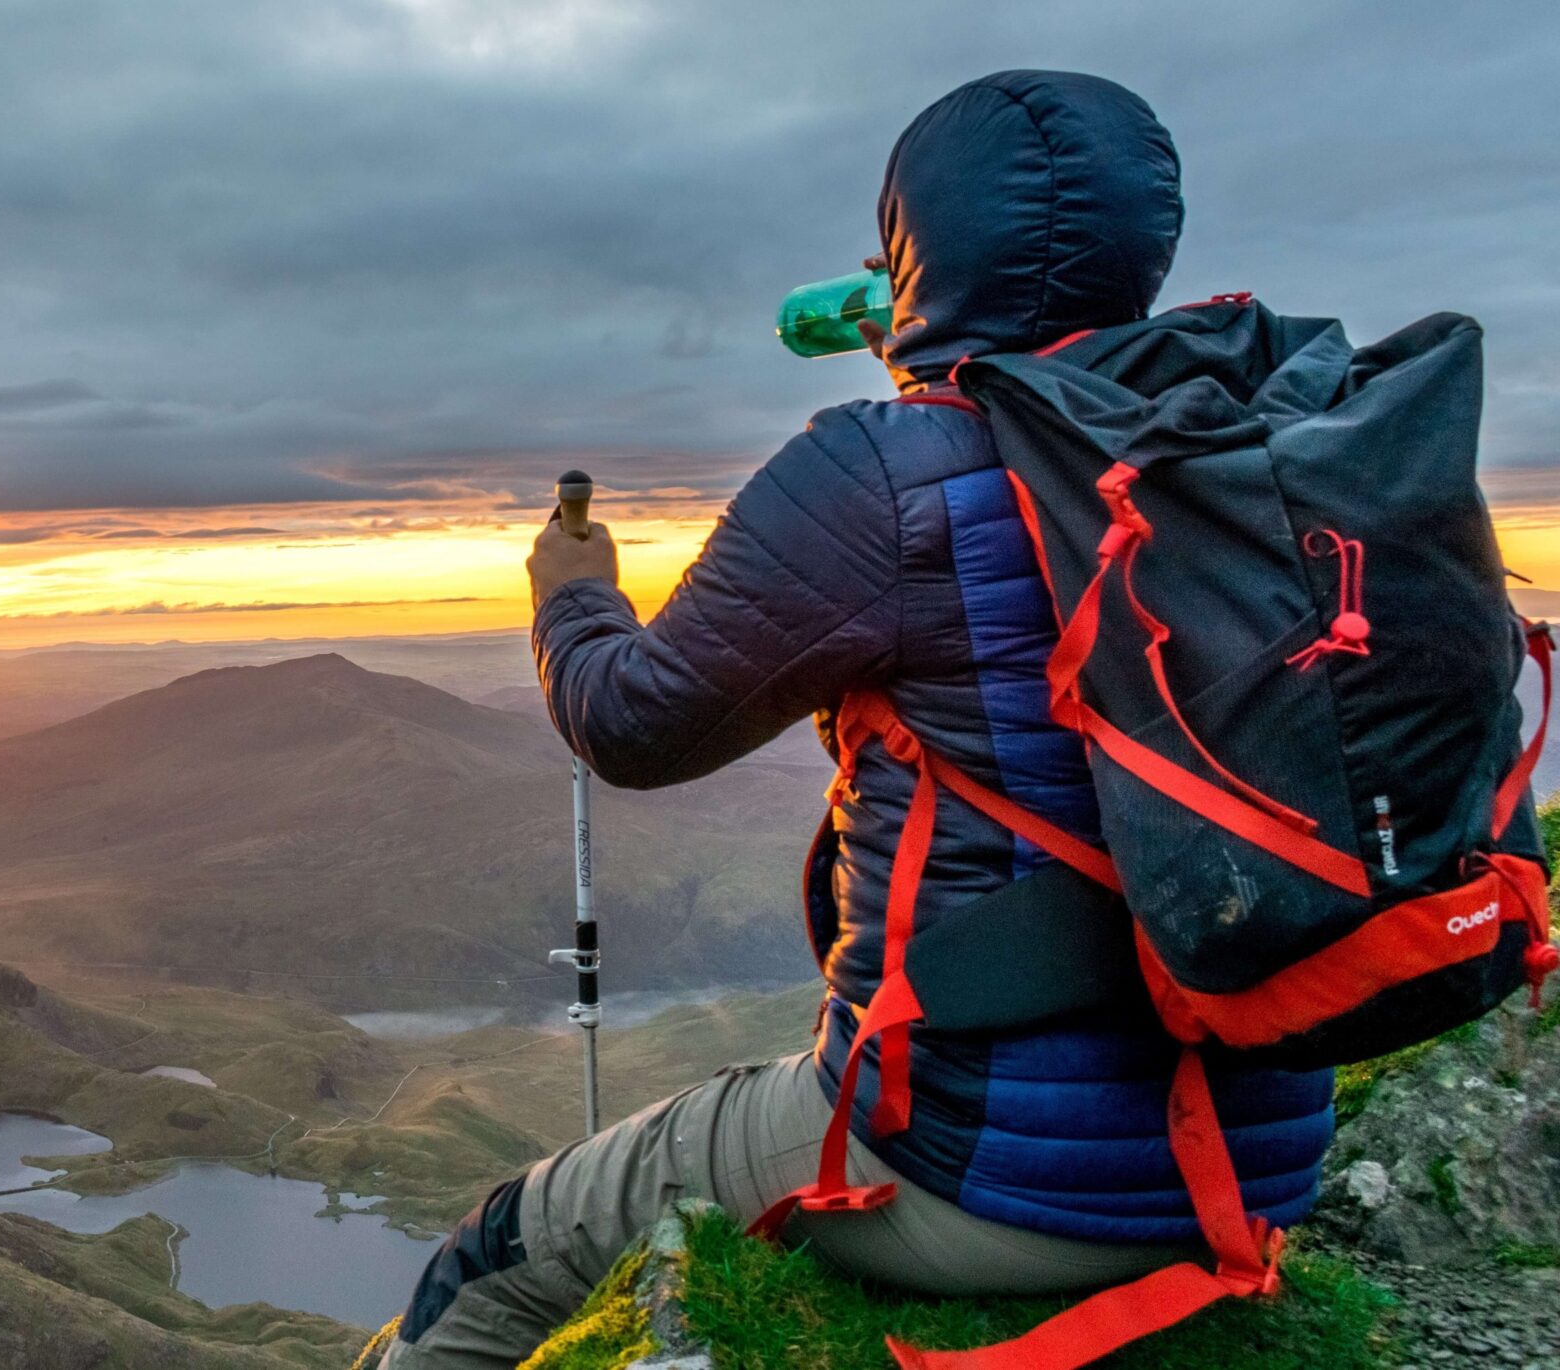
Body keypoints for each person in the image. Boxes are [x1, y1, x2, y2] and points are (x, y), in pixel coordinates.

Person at [376, 70, 1336, 1369]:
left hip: (977, 1179)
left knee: (498, 1250)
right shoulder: (1263, 453)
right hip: (1260, 1155)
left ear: (914, 247)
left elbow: (631, 723)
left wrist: (575, 597)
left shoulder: (881, 472)